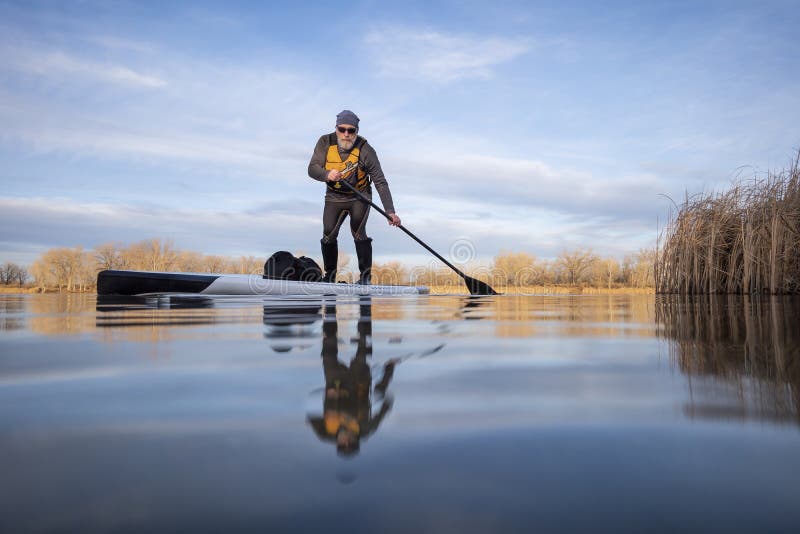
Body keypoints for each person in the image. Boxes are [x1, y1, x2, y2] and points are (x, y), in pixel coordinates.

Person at [308, 110, 401, 284]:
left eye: (351, 130)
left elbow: (380, 181)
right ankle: (329, 277)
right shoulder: (324, 143)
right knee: (328, 234)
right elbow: (312, 169)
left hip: (359, 196)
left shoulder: (366, 150)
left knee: (358, 232)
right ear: (336, 128)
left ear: (356, 131)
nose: (346, 134)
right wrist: (327, 174)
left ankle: (365, 278)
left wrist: (390, 211)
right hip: (334, 196)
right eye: (342, 129)